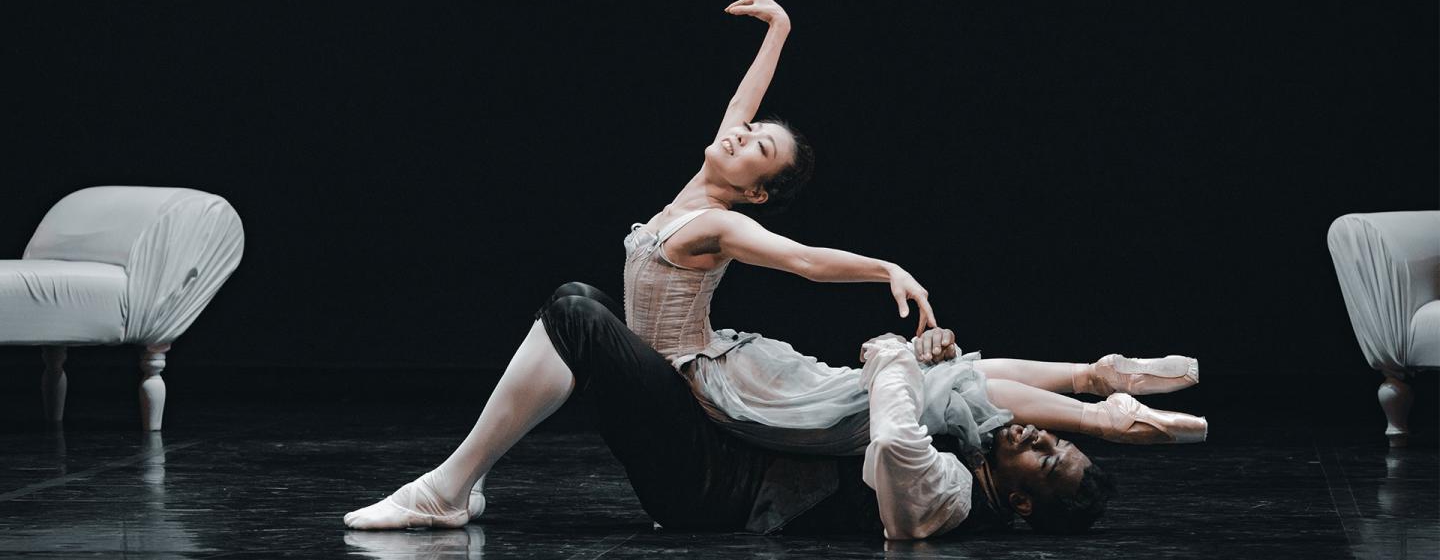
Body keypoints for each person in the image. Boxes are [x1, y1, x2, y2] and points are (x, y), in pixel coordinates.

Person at [617, 0, 1203, 455]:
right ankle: (1097, 377)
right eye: (746, 134)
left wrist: (886, 267)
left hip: (712, 383)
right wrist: (779, 28)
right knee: (926, 382)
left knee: (933, 386)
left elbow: (804, 261)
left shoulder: (722, 222)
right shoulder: (709, 182)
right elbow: (739, 105)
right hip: (729, 365)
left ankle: (1103, 414)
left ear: (757, 194)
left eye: (756, 147)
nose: (740, 136)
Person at [344, 283, 1175, 536]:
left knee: (577, 316)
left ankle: (448, 491)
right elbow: (978, 376)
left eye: (1048, 456)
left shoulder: (950, 500)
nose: (1036, 437)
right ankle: (455, 488)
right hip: (730, 447)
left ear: (1021, 498)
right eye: (1056, 440)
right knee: (581, 307)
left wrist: (893, 355)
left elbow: (891, 442)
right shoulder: (979, 444)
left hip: (716, 489)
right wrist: (1083, 380)